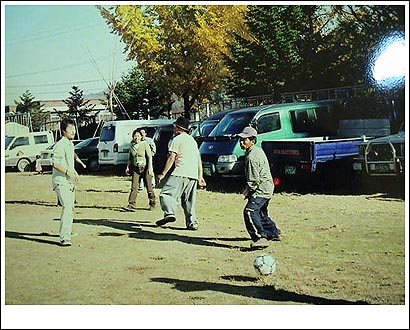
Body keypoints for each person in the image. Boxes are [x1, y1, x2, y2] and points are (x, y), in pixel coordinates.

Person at [156, 116, 206, 230]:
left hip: (180, 172)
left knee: (166, 194)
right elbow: (198, 160)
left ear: (178, 127)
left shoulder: (177, 139)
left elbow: (171, 158)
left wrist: (163, 173)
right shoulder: (192, 140)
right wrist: (200, 177)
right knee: (189, 200)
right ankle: (192, 222)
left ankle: (169, 213)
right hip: (192, 174)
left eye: (175, 126)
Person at [237, 126, 281, 250]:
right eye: (241, 139)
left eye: (244, 140)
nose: (241, 142)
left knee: (250, 211)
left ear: (253, 140)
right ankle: (273, 232)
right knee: (261, 212)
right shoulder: (257, 150)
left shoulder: (252, 157)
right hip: (267, 187)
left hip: (261, 189)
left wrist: (248, 191)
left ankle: (260, 238)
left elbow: (254, 180)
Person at [52, 118, 86, 247]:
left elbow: (71, 161)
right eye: (70, 129)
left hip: (69, 181)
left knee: (70, 207)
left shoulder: (70, 144)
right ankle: (64, 237)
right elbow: (55, 163)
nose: (73, 131)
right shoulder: (60, 145)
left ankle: (68, 231)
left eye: (74, 129)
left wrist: (74, 173)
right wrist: (67, 172)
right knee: (67, 207)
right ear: (63, 131)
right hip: (60, 181)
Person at [125, 129, 156, 211]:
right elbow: (130, 158)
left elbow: (149, 157)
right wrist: (128, 167)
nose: (136, 138)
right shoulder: (131, 146)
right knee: (134, 187)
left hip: (145, 167)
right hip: (135, 168)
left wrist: (150, 168)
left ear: (141, 137)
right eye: (135, 136)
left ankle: (152, 203)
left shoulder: (145, 144)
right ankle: (131, 204)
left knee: (149, 187)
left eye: (138, 136)